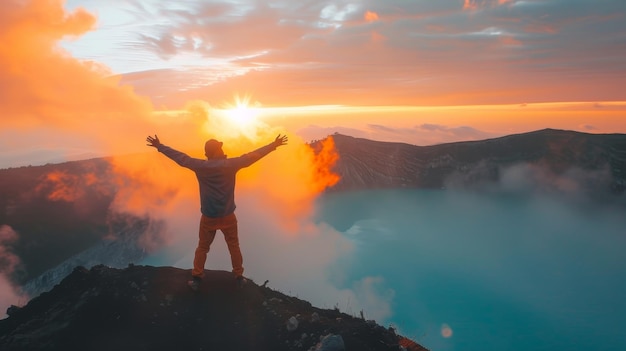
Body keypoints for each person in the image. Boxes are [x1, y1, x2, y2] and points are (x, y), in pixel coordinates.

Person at [146, 133, 288, 289]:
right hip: (228, 215)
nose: (222, 150)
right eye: (220, 148)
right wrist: (273, 145)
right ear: (216, 151)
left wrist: (160, 146)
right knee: (233, 246)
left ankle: (197, 278)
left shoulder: (201, 167)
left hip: (209, 217)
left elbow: (181, 158)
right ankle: (239, 276)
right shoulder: (231, 165)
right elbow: (252, 157)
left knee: (203, 247)